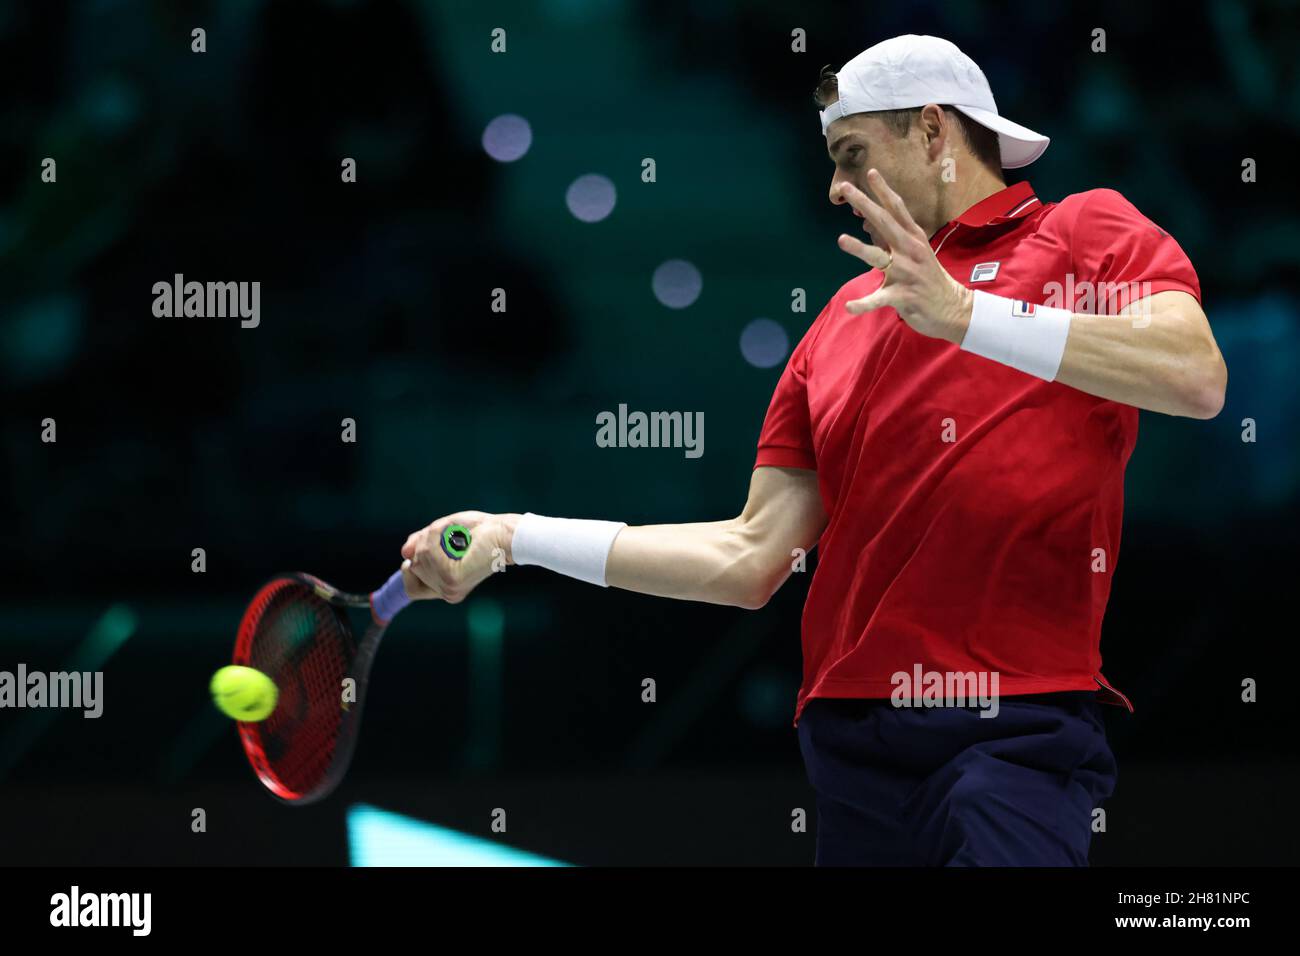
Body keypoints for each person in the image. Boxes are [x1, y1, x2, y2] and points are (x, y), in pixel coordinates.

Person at [397, 35, 1226, 866]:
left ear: (935, 133)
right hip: (853, 755)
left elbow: (1195, 377)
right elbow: (749, 555)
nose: (833, 187)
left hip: (1011, 729)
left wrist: (969, 316)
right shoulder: (839, 321)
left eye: (852, 154)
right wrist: (514, 536)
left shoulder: (1083, 231)